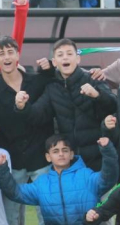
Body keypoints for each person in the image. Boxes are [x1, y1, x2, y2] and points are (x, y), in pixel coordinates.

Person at [0, 36, 53, 225]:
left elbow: (57, 81)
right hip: (12, 160)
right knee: (10, 214)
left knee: (46, 213)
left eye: (10, 51)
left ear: (18, 54)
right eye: (1, 53)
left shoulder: (36, 81)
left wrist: (50, 67)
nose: (6, 57)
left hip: (41, 157)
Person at [14, 38, 117, 172]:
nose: (65, 58)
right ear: (54, 62)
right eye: (60, 55)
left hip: (98, 156)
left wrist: (97, 95)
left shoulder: (93, 78)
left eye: (69, 54)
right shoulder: (52, 87)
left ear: (78, 59)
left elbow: (113, 106)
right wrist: (22, 106)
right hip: (70, 159)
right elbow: (38, 115)